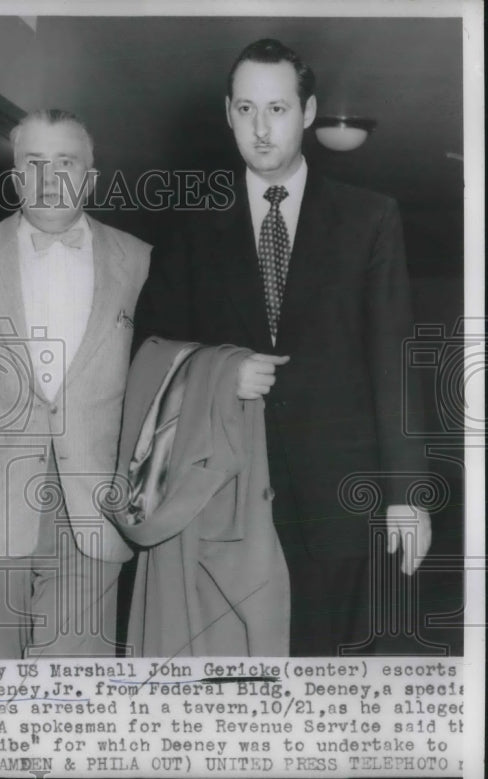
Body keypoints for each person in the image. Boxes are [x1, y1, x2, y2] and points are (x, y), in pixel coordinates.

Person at [132, 39, 431, 656]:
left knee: (329, 678)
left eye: (278, 109)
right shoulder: (188, 226)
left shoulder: (370, 218)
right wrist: (221, 370)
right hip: (227, 496)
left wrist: (406, 494)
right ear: (228, 114)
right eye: (246, 109)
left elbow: (392, 361)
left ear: (310, 110)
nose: (261, 129)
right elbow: (150, 346)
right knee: (234, 686)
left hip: (339, 500)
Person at [0, 109, 151, 658]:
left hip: (94, 507)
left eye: (65, 162)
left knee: (73, 695)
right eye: (34, 163)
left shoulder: (141, 262)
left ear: (90, 176)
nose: (48, 178)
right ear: (16, 176)